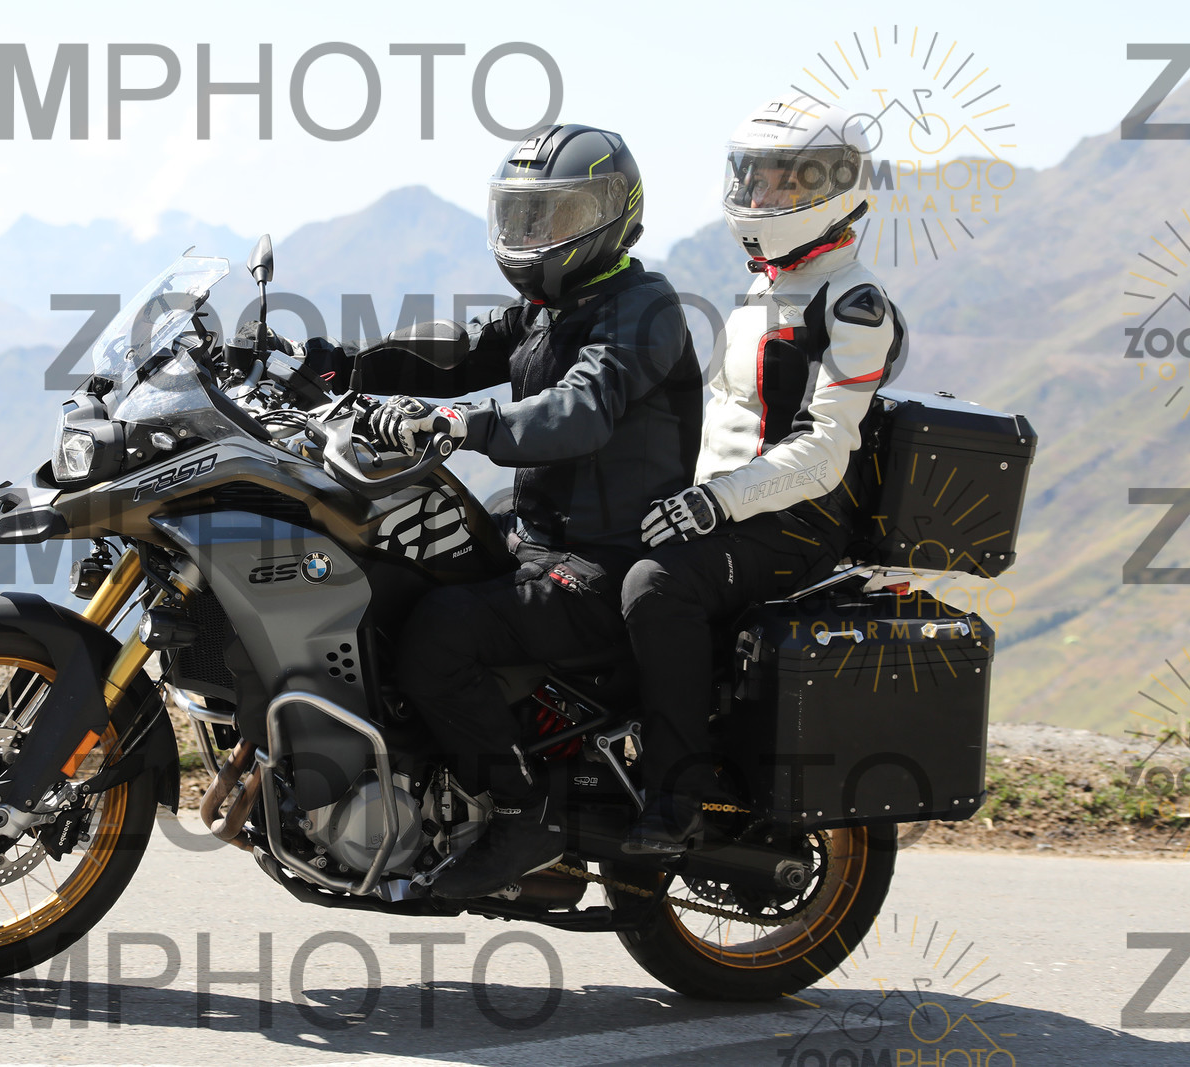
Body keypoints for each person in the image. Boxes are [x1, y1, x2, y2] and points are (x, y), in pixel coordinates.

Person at [270, 123, 703, 898]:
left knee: (442, 632)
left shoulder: (643, 309)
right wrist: (345, 364)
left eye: (556, 216)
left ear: (613, 213)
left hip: (604, 559)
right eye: (524, 215)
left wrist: (467, 425)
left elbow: (582, 409)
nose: (534, 233)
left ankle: (519, 810)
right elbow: (462, 353)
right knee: (399, 566)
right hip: (539, 536)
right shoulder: (548, 306)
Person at [619, 95, 908, 854]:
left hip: (793, 523)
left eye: (785, 179)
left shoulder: (855, 304)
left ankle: (677, 794)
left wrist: (714, 505)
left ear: (835, 186)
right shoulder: (770, 282)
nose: (760, 192)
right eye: (754, 175)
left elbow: (825, 449)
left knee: (657, 586)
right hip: (722, 508)